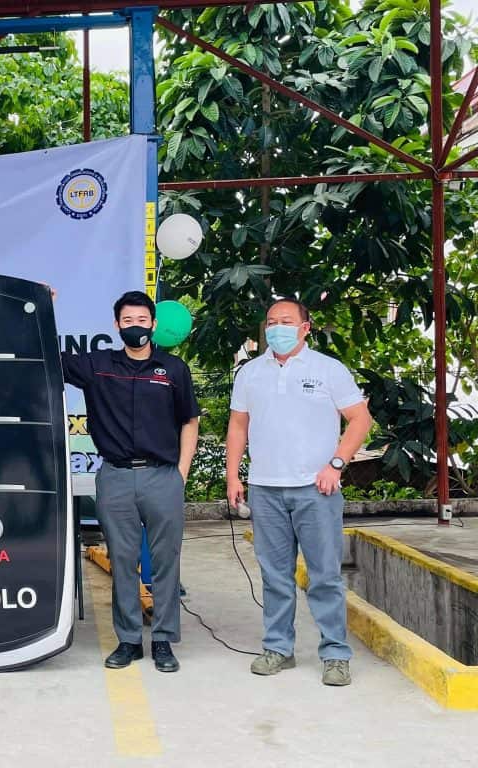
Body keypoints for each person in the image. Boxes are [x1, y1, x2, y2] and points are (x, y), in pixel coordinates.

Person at [225, 297, 372, 686]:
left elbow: (360, 419)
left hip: (315, 490)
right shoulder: (250, 373)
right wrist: (233, 476)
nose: (278, 328)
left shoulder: (328, 369)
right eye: (272, 321)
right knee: (275, 576)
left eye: (287, 321)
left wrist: (336, 464)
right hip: (265, 488)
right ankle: (278, 648)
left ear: (305, 328)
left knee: (324, 576)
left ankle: (335, 654)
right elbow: (238, 426)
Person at [61, 290, 200, 672]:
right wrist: (42, 304)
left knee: (165, 560)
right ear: (116, 325)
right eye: (127, 321)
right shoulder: (98, 365)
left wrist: (181, 473)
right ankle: (128, 640)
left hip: (162, 476)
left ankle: (163, 640)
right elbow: (47, 356)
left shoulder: (173, 369)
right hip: (116, 477)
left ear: (153, 324)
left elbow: (190, 421)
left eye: (141, 320)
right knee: (122, 560)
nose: (135, 327)